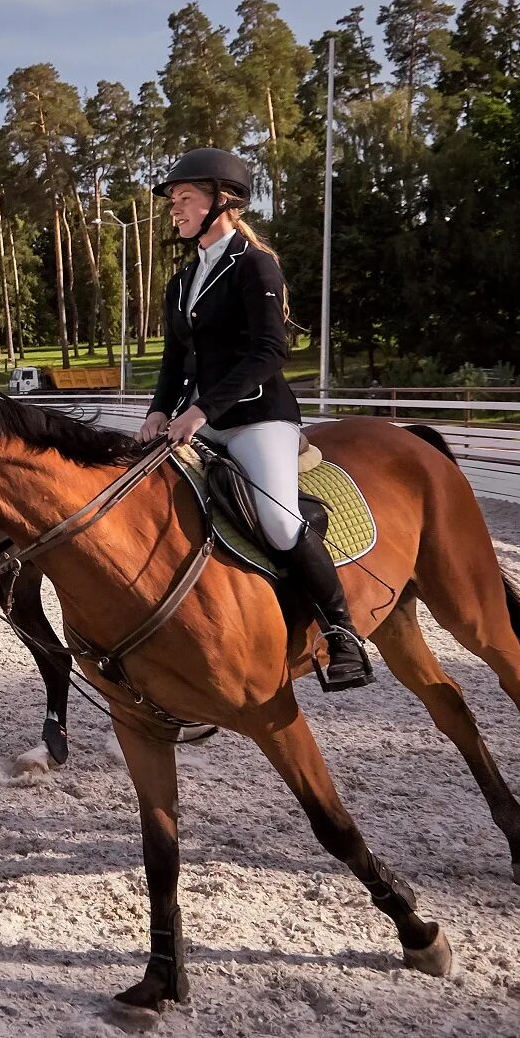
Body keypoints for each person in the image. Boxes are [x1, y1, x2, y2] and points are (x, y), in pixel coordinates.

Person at [137, 148, 372, 690]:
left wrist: (200, 410)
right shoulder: (181, 281)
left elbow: (268, 352)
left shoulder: (254, 265)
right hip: (199, 418)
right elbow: (176, 361)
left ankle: (343, 635)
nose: (175, 208)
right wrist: (157, 410)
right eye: (174, 200)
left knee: (280, 521)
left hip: (257, 419)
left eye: (185, 198)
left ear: (223, 200)